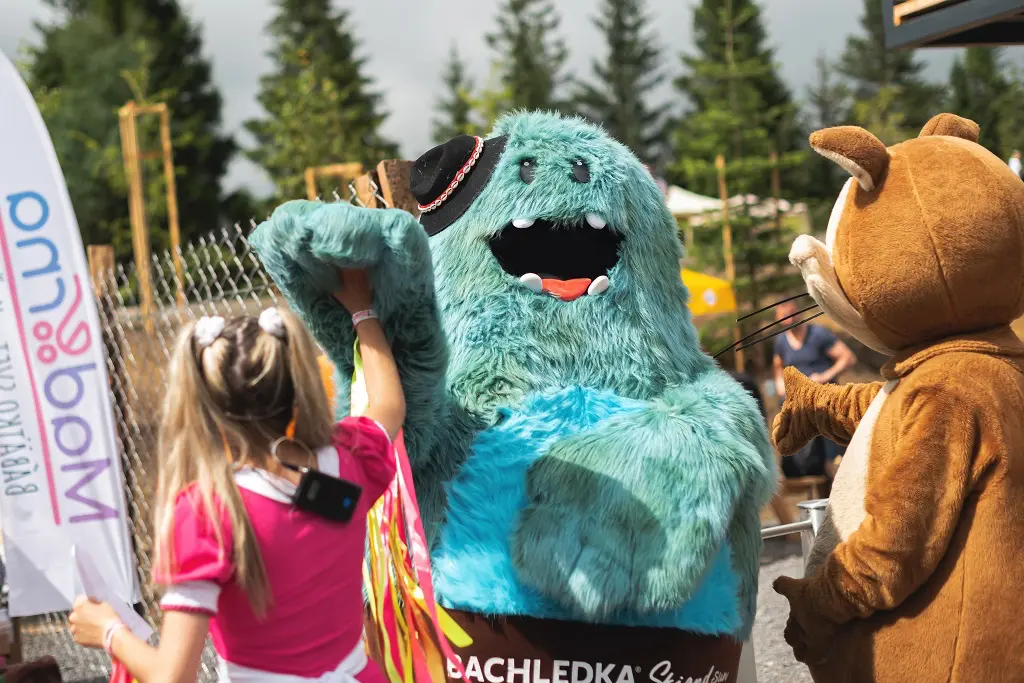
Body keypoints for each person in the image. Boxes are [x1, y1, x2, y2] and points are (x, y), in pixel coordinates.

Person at [68, 269, 404, 683]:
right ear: (294, 380)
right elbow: (388, 406)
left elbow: (172, 676)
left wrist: (107, 630)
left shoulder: (207, 511)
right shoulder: (349, 459)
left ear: (206, 404)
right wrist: (361, 309)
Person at [772, 299, 856, 480]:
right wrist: (780, 387)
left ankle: (836, 475)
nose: (787, 321)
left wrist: (824, 376)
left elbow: (848, 358)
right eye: (783, 317)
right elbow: (778, 366)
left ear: (799, 314)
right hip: (800, 407)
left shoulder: (819, 335)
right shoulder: (781, 342)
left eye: (790, 316)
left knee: (833, 460)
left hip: (825, 403)